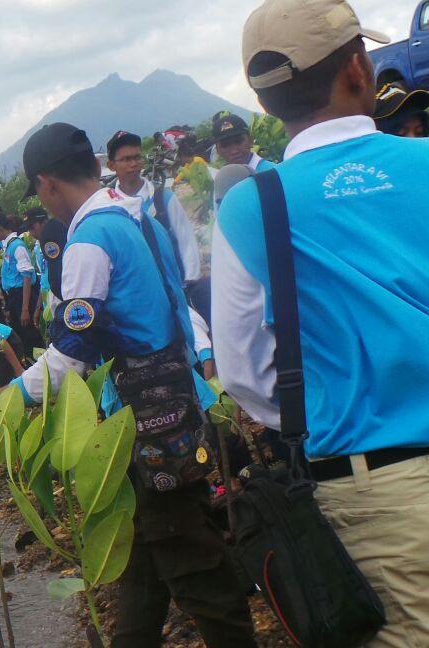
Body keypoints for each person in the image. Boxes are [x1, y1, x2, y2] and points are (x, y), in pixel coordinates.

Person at [0, 122, 256, 648]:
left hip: (147, 423)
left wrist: (6, 399)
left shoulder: (89, 242)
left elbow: (72, 352)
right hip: (178, 400)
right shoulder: (141, 222)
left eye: (41, 195)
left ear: (47, 184)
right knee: (142, 557)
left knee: (191, 561)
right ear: (97, 167)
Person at [216, 1, 429, 644]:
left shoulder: (251, 207)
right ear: (359, 69)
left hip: (371, 499)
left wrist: (336, 410)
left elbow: (246, 372)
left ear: (266, 102)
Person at [107, 130, 203, 285]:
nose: (133, 164)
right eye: (125, 159)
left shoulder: (162, 199)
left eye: (137, 157)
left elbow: (186, 241)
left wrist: (191, 281)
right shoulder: (107, 205)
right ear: (111, 165)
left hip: (173, 289)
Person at [0, 211, 44, 351]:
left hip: (22, 297)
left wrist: (25, 309)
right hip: (14, 297)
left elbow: (26, 276)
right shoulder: (9, 245)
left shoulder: (17, 246)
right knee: (22, 335)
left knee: (30, 336)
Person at [212, 112, 276, 173]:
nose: (234, 151)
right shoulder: (221, 180)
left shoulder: (274, 172)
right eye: (225, 145)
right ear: (217, 150)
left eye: (238, 141)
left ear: (250, 140)